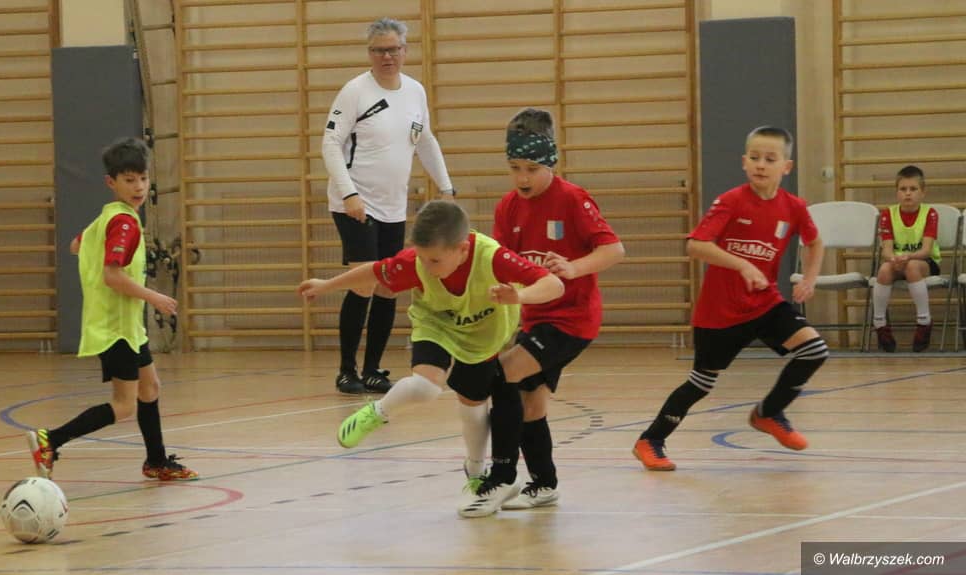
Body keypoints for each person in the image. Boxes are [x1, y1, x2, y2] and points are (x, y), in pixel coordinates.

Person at [298, 201, 564, 517]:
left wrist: (519, 296)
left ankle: (475, 473)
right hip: (435, 324)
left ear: (462, 250)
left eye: (435, 260)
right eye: (422, 258)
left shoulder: (493, 258)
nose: (427, 266)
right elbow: (374, 271)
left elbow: (554, 284)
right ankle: (377, 412)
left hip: (482, 337)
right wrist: (327, 285)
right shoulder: (417, 262)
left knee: (473, 404)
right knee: (426, 386)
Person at [632, 126, 829, 471]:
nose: (761, 165)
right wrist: (742, 264)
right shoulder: (731, 201)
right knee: (701, 383)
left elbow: (815, 242)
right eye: (754, 157)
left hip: (765, 303)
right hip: (720, 312)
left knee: (814, 350)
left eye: (770, 159)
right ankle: (651, 440)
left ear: (786, 166)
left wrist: (810, 280)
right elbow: (696, 245)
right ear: (743, 161)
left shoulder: (794, 207)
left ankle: (768, 413)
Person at [25, 137, 198, 482]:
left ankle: (156, 461)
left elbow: (75, 246)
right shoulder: (125, 223)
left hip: (128, 327)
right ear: (111, 182)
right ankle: (51, 440)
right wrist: (154, 297)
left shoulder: (109, 217)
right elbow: (112, 276)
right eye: (129, 180)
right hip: (116, 327)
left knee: (150, 388)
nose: (139, 187)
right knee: (124, 404)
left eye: (143, 179)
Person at [491, 108, 624, 508]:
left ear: (550, 161)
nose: (522, 178)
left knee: (503, 374)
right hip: (534, 318)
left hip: (572, 320)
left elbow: (614, 250)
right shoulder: (507, 207)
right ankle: (544, 484)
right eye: (515, 168)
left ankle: (499, 476)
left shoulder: (572, 199)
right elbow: (499, 261)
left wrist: (573, 268)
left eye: (532, 169)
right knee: (531, 400)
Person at [322, 17, 455, 395]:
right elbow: (330, 144)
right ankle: (346, 370)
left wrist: (446, 186)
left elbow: (424, 140)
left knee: (388, 287)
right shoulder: (355, 92)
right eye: (379, 50)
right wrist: (349, 194)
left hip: (394, 206)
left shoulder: (415, 92)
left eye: (393, 49)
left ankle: (372, 370)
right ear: (370, 53)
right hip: (356, 205)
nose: (386, 56)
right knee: (364, 283)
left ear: (404, 51)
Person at [871, 165, 941, 353]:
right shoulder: (888, 214)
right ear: (896, 192)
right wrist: (894, 259)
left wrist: (907, 257)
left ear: (923, 192)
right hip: (898, 262)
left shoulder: (930, 213)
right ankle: (879, 323)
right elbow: (886, 251)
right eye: (903, 189)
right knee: (884, 270)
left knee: (911, 267)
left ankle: (924, 321)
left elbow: (926, 250)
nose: (907, 193)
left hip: (924, 263)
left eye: (913, 189)